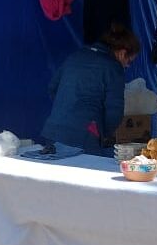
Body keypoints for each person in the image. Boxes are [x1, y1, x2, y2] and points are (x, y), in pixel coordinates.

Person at [41, 22, 140, 155]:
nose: (127, 66)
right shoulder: (113, 68)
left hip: (53, 131)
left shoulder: (76, 56)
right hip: (84, 136)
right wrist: (103, 133)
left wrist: (67, 109)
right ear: (122, 53)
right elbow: (114, 112)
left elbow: (53, 88)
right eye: (129, 61)